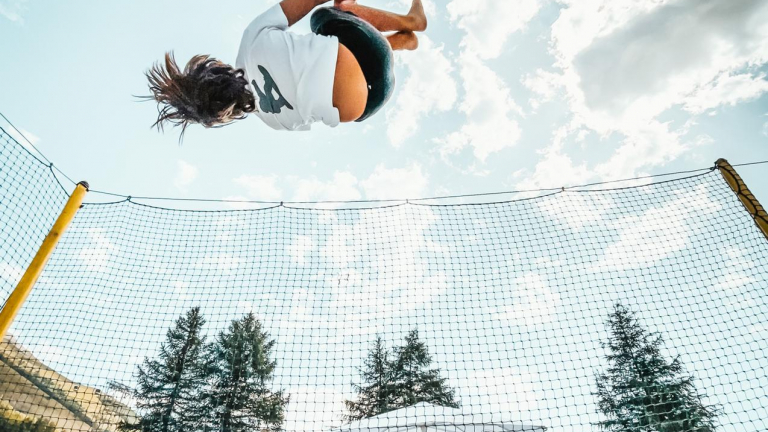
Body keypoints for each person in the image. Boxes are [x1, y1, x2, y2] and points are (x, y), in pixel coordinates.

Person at [145, 0, 427, 137]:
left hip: (372, 102)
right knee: (323, 16)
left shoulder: (272, 121)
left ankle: (400, 42)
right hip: (371, 54)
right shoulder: (251, 41)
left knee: (324, 63)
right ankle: (412, 22)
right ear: (215, 68)